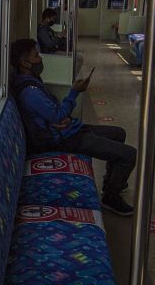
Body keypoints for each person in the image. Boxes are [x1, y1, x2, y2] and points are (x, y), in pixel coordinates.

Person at [10, 38, 137, 216]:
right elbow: (57, 115)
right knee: (129, 154)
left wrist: (60, 118)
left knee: (118, 133)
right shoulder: (30, 92)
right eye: (36, 55)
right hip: (63, 139)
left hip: (66, 130)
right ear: (24, 62)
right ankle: (111, 198)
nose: (40, 59)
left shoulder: (32, 81)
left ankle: (111, 183)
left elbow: (54, 114)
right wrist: (74, 92)